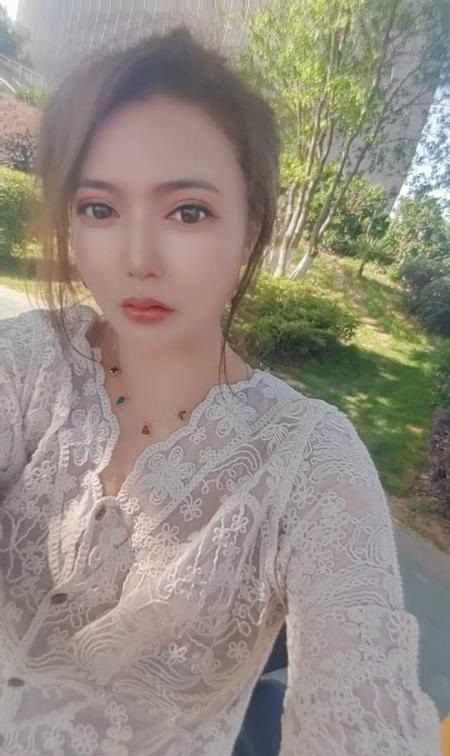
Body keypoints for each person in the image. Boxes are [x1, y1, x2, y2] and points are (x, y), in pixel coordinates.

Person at [0, 24, 442, 756]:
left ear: (248, 231)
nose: (138, 258)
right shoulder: (29, 361)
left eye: (188, 212)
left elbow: (364, 702)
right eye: (99, 208)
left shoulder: (312, 464)